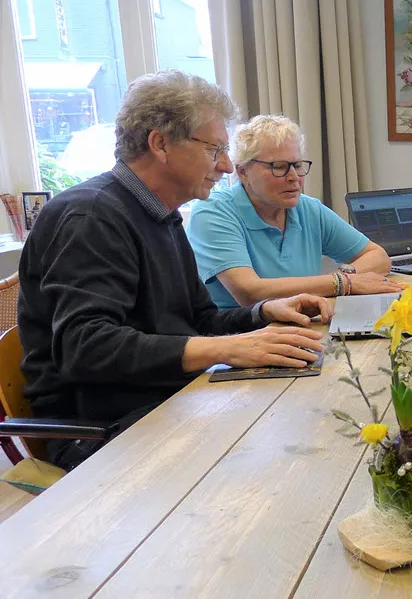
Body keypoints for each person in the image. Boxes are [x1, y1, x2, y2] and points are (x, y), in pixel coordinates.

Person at [18, 70, 333, 470]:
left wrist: (264, 313)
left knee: (304, 424)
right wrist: (226, 349)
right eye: (214, 148)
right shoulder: (91, 215)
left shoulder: (160, 215)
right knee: (288, 456)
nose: (223, 165)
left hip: (166, 402)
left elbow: (197, 319)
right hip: (102, 430)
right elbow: (85, 346)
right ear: (160, 143)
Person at [188, 115, 401, 308]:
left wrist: (347, 277)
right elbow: (250, 293)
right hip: (240, 337)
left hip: (301, 326)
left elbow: (378, 257)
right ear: (243, 172)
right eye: (279, 167)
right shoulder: (213, 211)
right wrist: (340, 283)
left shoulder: (308, 209)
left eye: (297, 165)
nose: (294, 177)